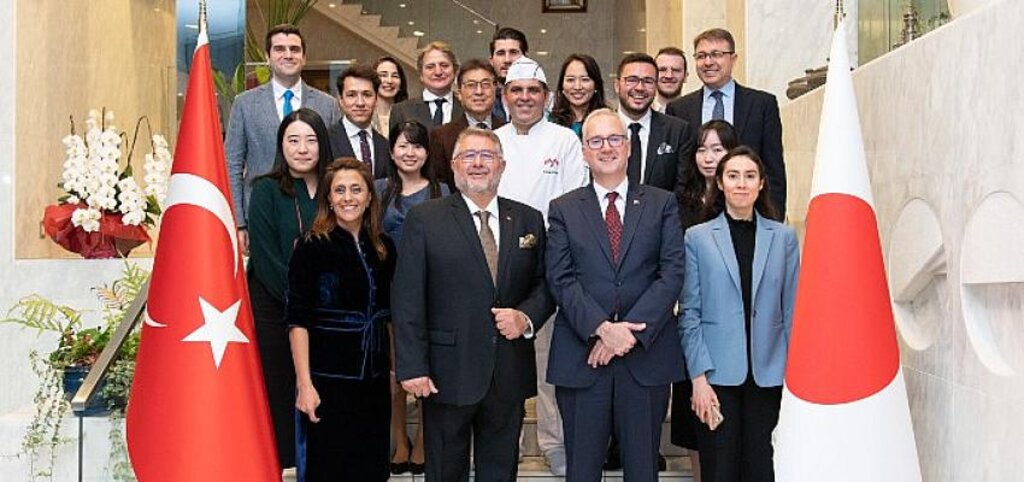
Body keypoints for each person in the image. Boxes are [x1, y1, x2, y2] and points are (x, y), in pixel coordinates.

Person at [393, 128, 555, 482]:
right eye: (469, 156)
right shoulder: (425, 219)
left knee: (500, 472)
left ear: (502, 165)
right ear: (453, 166)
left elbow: (545, 283)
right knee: (445, 471)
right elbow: (407, 298)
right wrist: (411, 366)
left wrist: (525, 317)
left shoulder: (528, 219)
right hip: (445, 373)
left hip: (507, 371)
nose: (478, 163)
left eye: (487, 156)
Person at [546, 109, 686, 482]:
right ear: (584, 152)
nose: (605, 148)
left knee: (643, 470)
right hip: (582, 357)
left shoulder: (662, 203)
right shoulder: (563, 209)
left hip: (646, 357)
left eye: (614, 139)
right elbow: (560, 278)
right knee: (582, 470)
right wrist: (601, 328)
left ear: (627, 148)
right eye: (596, 141)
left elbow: (671, 273)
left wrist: (627, 334)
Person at [680, 146, 799, 482]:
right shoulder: (698, 238)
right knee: (719, 470)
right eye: (733, 176)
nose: (741, 184)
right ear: (720, 182)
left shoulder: (784, 238)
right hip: (717, 378)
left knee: (762, 468)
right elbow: (690, 314)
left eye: (750, 176)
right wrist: (698, 380)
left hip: (770, 376)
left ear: (761, 184)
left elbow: (792, 311)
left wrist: (794, 378)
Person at [494, 55, 589, 476]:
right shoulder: (492, 140)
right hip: (501, 268)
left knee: (550, 364)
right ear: (504, 96)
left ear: (547, 97)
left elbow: (571, 205)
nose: (525, 98)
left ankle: (554, 443)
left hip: (549, 266)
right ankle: (504, 443)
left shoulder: (565, 140)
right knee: (502, 368)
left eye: (533, 91)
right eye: (517, 91)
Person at [287, 157, 396, 481]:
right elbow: (297, 321)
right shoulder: (311, 246)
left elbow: (389, 316)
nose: (348, 198)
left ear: (368, 197)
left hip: (374, 383)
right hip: (328, 382)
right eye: (340, 191)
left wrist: (391, 368)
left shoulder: (384, 247)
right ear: (329, 199)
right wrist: (305, 385)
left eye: (356, 189)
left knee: (371, 469)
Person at [246, 108, 333, 471]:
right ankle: (282, 465)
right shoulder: (266, 189)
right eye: (293, 140)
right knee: (281, 392)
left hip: (331, 312)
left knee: (326, 392)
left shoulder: (335, 186)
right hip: (275, 310)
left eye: (310, 140)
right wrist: (303, 304)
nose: (302, 149)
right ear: (281, 145)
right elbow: (265, 258)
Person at [375, 121, 449, 476]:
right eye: (402, 146)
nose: (409, 153)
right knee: (394, 375)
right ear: (391, 152)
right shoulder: (378, 191)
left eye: (416, 146)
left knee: (427, 372)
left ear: (427, 153)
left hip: (433, 295)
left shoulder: (443, 191)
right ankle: (399, 441)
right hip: (388, 293)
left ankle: (422, 443)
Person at [226, 24, 341, 255]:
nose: (288, 55)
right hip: (260, 215)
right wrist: (238, 223)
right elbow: (232, 164)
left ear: (304, 57)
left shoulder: (327, 104)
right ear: (267, 57)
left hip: (315, 214)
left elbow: (335, 162)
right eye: (279, 49)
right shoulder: (244, 104)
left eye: (294, 49)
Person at [670, 119, 739, 482]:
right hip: (687, 318)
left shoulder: (740, 202)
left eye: (718, 149)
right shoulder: (677, 201)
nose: (709, 157)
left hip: (728, 324)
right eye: (702, 149)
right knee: (692, 418)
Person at [666, 28, 786, 219]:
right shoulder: (679, 109)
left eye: (716, 55)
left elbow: (774, 171)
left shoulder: (762, 105)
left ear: (733, 59)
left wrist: (773, 222)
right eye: (701, 56)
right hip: (695, 219)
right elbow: (679, 175)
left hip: (750, 216)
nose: (708, 62)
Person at [614, 52, 695, 194]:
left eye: (648, 81)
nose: (639, 87)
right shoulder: (598, 127)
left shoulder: (678, 131)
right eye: (632, 80)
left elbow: (682, 189)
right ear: (617, 85)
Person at [428, 59, 507, 191]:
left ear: (495, 89)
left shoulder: (508, 130)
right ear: (459, 93)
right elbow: (440, 187)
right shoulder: (442, 136)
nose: (479, 91)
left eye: (486, 84)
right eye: (471, 85)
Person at [327, 64, 390, 180]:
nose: (360, 103)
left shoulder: (385, 145)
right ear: (341, 100)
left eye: (367, 95)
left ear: (376, 99)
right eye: (351, 95)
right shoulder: (326, 140)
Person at [390, 41, 463, 131]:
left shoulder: (467, 109)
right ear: (421, 74)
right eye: (430, 67)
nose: (438, 72)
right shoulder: (401, 111)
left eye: (444, 65)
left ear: (455, 70)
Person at [550, 53, 607, 138]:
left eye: (585, 80)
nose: (577, 87)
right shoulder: (550, 122)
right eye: (570, 80)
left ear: (596, 85)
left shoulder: (608, 120)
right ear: (562, 85)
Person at [488, 27, 529, 122]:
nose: (507, 60)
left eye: (513, 52)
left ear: (526, 58)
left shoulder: (542, 100)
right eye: (500, 53)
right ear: (491, 61)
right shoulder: (484, 100)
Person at [373, 56, 409, 138]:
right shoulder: (363, 115)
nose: (389, 81)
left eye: (395, 76)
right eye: (383, 75)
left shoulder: (410, 115)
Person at [653, 47, 688, 113]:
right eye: (662, 70)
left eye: (676, 70)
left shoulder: (695, 113)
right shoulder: (642, 113)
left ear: (685, 76)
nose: (669, 76)